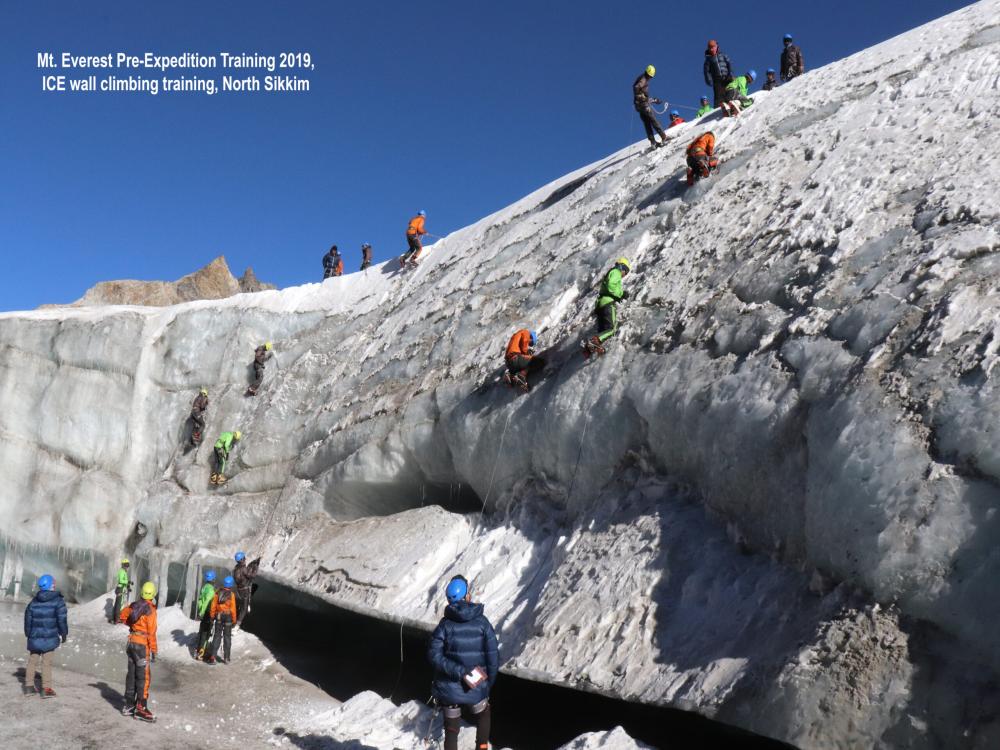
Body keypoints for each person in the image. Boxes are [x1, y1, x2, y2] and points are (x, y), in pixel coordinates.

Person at [427, 575, 499, 750]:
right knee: (483, 714)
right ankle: (481, 747)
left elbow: (433, 655)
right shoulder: (483, 623)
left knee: (451, 730)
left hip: (449, 689)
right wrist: (486, 684)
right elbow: (493, 658)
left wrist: (458, 671)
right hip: (476, 685)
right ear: (467, 596)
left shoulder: (444, 625)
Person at [23, 574, 68, 698]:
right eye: (53, 583)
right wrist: (63, 633)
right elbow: (62, 619)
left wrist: (28, 633)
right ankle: (46, 689)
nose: (54, 584)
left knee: (32, 660)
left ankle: (28, 687)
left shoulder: (34, 601)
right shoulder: (58, 601)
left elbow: (28, 619)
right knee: (46, 662)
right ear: (50, 585)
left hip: (34, 636)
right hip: (50, 637)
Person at [119, 581, 158, 722]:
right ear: (153, 594)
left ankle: (129, 705)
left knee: (131, 674)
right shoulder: (151, 611)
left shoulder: (134, 606)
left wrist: (133, 627)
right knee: (143, 677)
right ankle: (141, 708)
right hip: (142, 646)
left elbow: (122, 616)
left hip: (131, 643)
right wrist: (154, 649)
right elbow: (152, 633)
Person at [583, 257, 631, 357]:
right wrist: (621, 294)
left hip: (600, 304)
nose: (625, 275)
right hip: (607, 303)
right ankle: (593, 342)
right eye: (626, 272)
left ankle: (589, 349)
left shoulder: (612, 272)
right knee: (611, 329)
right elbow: (611, 285)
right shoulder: (616, 272)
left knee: (603, 331)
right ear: (622, 267)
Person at [632, 65, 667, 149]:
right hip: (643, 105)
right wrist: (643, 97)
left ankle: (653, 142)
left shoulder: (643, 78)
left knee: (647, 123)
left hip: (639, 106)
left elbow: (642, 94)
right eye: (650, 76)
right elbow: (636, 88)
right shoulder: (643, 79)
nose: (650, 78)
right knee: (653, 119)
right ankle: (663, 136)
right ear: (648, 74)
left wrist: (654, 100)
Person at [207, 576, 237, 664]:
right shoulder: (231, 595)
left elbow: (213, 606)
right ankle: (227, 658)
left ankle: (213, 657)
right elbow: (233, 609)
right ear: (231, 585)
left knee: (217, 636)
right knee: (227, 637)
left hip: (219, 616)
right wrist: (234, 620)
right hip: (228, 617)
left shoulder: (217, 593)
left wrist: (212, 616)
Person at [232, 551, 261, 626]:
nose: (245, 559)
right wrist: (256, 567)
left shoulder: (236, 568)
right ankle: (237, 624)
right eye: (244, 558)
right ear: (241, 559)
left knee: (254, 587)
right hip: (245, 590)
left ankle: (245, 605)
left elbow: (245, 573)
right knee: (244, 609)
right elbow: (252, 575)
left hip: (239, 589)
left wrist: (254, 562)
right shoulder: (243, 568)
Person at [703, 40, 734, 107]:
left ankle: (732, 104)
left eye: (713, 47)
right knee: (719, 95)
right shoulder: (708, 60)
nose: (712, 49)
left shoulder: (723, 55)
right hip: (717, 80)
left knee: (730, 90)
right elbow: (706, 71)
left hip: (727, 77)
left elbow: (729, 64)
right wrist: (709, 80)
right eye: (710, 48)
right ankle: (718, 108)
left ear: (716, 46)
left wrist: (730, 74)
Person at [195, 570, 216, 660]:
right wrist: (202, 612)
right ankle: (201, 654)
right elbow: (207, 602)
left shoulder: (204, 587)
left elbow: (200, 600)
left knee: (201, 632)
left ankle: (198, 651)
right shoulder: (211, 590)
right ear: (213, 579)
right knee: (206, 633)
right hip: (207, 613)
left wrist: (200, 611)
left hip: (203, 613)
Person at [112, 558, 132, 624]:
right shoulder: (122, 571)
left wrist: (128, 587)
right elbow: (121, 581)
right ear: (123, 565)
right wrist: (128, 581)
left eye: (128, 565)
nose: (127, 566)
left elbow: (123, 581)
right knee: (118, 604)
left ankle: (116, 618)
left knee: (119, 604)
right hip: (120, 588)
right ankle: (116, 619)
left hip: (122, 588)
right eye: (126, 564)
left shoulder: (123, 571)